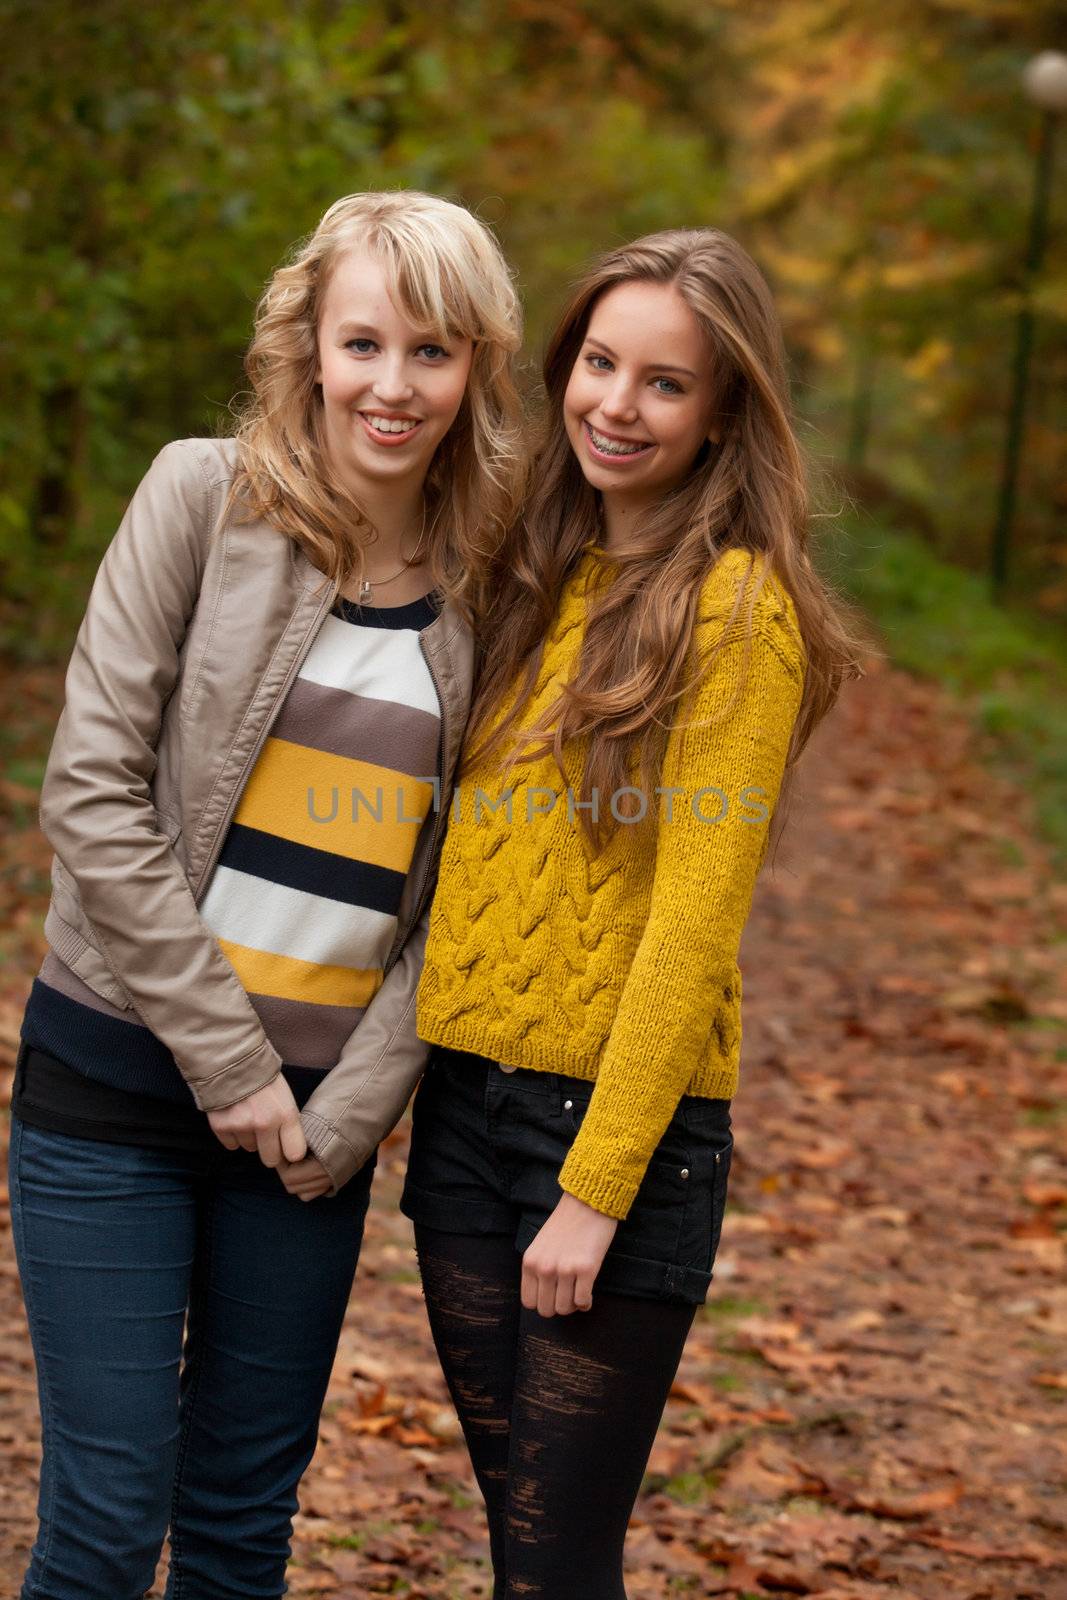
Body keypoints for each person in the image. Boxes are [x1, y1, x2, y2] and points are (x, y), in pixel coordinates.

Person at [8, 189, 523, 1600]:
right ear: (307, 340)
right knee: (107, 1528)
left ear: (476, 367)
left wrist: (353, 1109)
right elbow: (91, 798)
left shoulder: (493, 583)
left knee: (242, 1535)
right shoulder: (199, 494)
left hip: (307, 1147)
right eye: (365, 342)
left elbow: (471, 887)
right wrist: (233, 1065)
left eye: (434, 351)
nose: (394, 385)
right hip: (112, 1095)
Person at [396, 227, 868, 1598]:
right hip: (465, 1119)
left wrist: (595, 1191)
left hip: (610, 1142)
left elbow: (690, 930)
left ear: (726, 412)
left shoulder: (740, 614)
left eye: (666, 383)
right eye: (600, 363)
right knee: (521, 1547)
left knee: (556, 1564)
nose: (616, 403)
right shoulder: (533, 576)